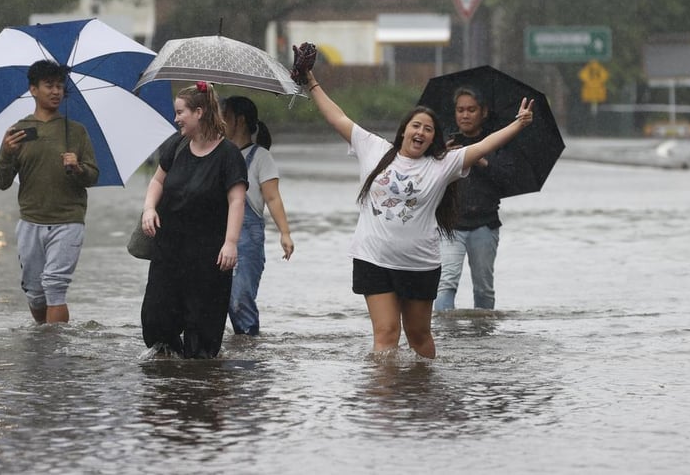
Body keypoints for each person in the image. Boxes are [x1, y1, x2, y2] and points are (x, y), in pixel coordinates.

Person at [301, 64, 532, 358]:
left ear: (433, 138)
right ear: (404, 130)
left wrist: (518, 124)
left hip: (419, 264)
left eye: (428, 129)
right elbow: (337, 117)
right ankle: (385, 399)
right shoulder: (374, 148)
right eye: (416, 126)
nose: (421, 131)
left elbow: (484, 145)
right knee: (385, 334)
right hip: (373, 259)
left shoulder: (442, 164)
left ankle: (421, 393)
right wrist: (312, 82)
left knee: (419, 336)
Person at [139, 82, 248, 358]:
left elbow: (237, 200)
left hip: (209, 259)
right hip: (169, 253)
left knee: (201, 334)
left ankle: (200, 386)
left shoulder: (229, 155)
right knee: (156, 318)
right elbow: (156, 181)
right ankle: (169, 382)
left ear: (199, 112)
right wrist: (149, 209)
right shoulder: (177, 146)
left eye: (180, 112)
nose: (176, 119)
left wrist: (231, 243)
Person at [0, 60, 99, 325]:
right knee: (35, 293)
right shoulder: (18, 132)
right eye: (49, 85)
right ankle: (42, 345)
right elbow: (2, 181)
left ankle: (55, 355)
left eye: (60, 86)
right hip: (31, 221)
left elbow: (93, 175)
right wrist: (7, 154)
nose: (55, 91)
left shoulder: (76, 131)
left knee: (55, 286)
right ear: (33, 89)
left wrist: (77, 168)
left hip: (68, 220)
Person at [435, 87, 514, 311]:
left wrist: (479, 158)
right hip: (450, 225)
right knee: (446, 281)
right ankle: (444, 333)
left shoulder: (496, 142)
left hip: (485, 225)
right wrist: (441, 157)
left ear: (483, 112)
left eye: (471, 110)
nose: (465, 115)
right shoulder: (443, 143)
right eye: (460, 110)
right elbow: (424, 178)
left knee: (483, 288)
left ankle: (483, 335)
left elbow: (507, 179)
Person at [221, 95, 295, 336]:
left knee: (240, 298)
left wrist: (285, 233)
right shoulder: (221, 153)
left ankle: (250, 351)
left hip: (248, 238)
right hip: (219, 234)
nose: (220, 122)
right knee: (219, 300)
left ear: (239, 121)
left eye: (225, 117)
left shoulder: (261, 157)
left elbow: (272, 198)